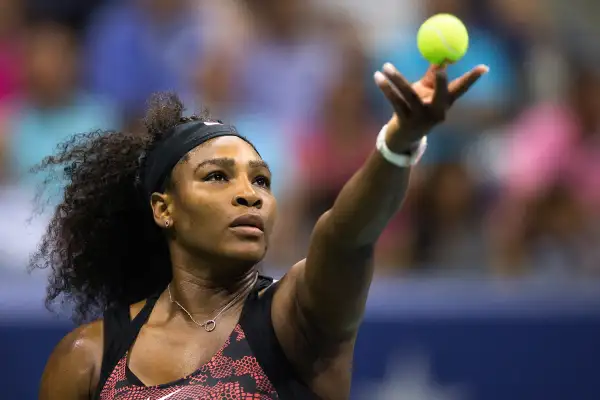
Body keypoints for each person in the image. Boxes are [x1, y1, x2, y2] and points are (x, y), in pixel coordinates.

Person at [36, 62, 487, 399]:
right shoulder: (88, 356)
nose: (249, 194)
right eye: (217, 176)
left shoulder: (295, 317)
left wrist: (398, 144)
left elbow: (345, 237)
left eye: (262, 181)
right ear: (163, 209)